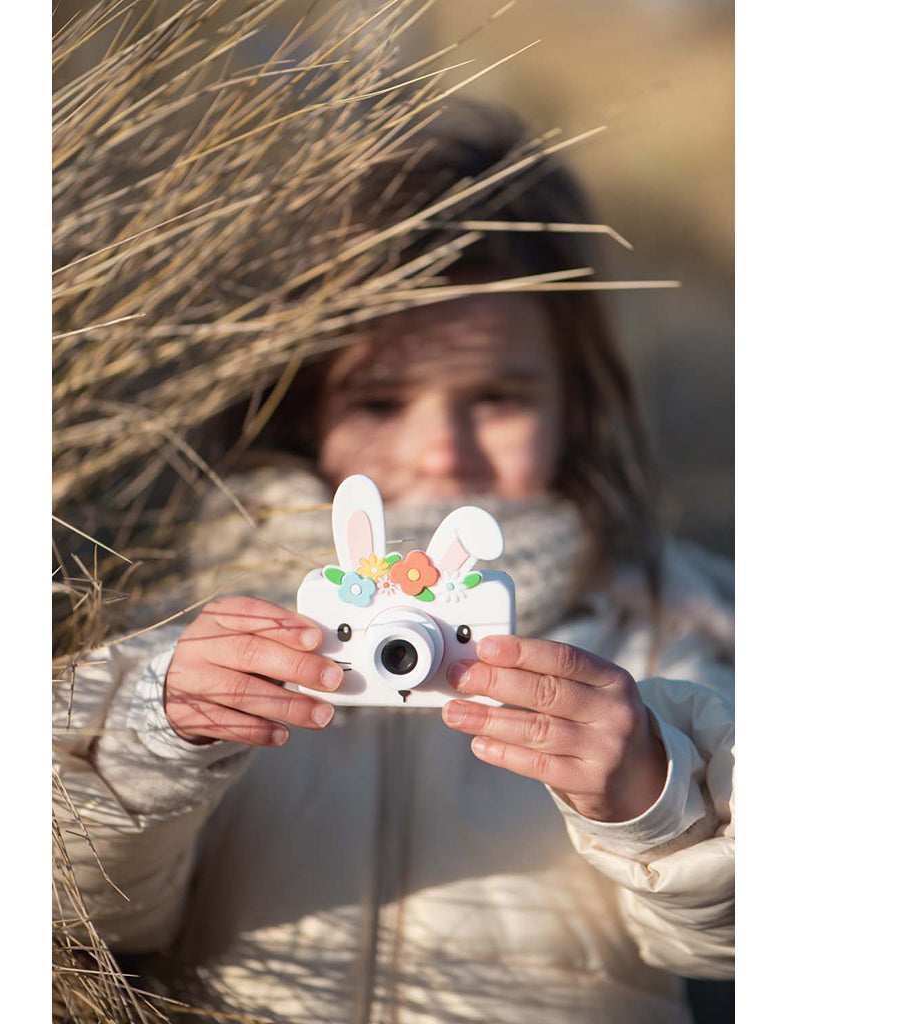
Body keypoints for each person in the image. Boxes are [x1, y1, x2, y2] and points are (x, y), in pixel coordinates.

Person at [53, 104, 734, 1024]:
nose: (441, 450)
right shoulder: (195, 623)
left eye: (497, 396)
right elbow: (82, 918)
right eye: (379, 398)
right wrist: (153, 740)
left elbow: (728, 943)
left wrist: (655, 798)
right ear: (298, 407)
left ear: (575, 406)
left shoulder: (664, 623)